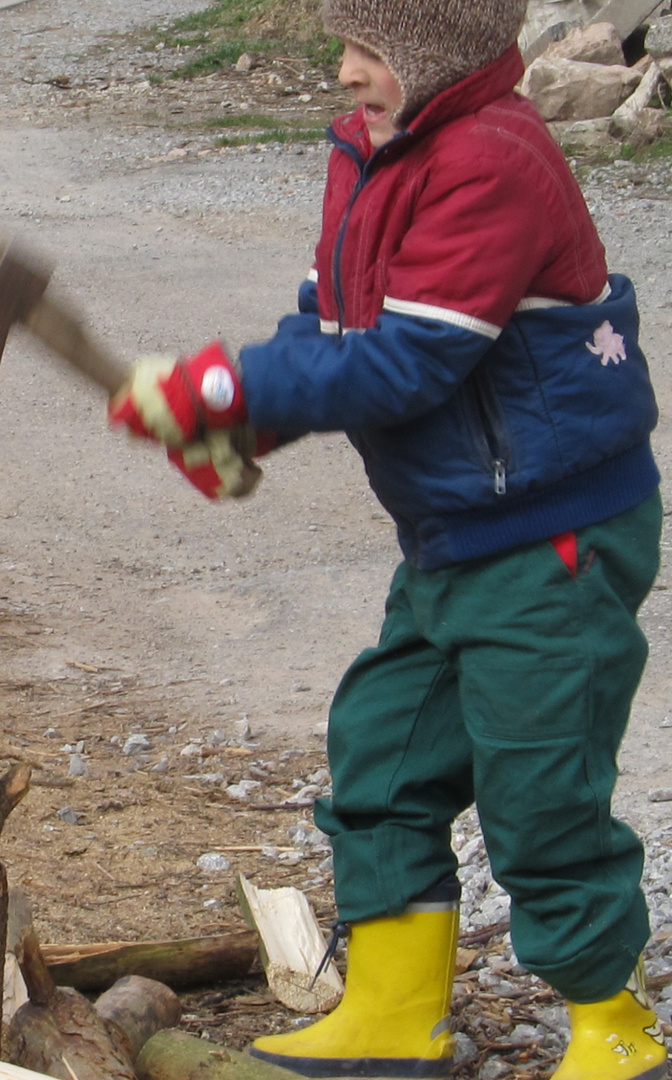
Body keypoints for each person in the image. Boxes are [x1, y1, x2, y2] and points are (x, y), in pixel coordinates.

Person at [108, 1, 667, 1078]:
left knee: (542, 793)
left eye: (371, 49)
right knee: (383, 752)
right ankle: (394, 1011)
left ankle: (616, 1033)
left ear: (436, 53)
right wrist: (239, 420)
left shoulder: (495, 159)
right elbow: (333, 328)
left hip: (551, 537)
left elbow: (409, 362)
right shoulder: (371, 149)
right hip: (455, 536)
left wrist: (219, 380)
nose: (346, 67)